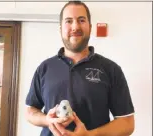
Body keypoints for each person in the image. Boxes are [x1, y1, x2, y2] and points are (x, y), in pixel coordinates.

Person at [25, 1, 135, 136]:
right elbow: (30, 111)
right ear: (60, 28)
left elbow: (127, 123)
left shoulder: (110, 69)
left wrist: (89, 135)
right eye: (69, 21)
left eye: (81, 20)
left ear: (90, 26)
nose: (75, 26)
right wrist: (46, 120)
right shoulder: (44, 68)